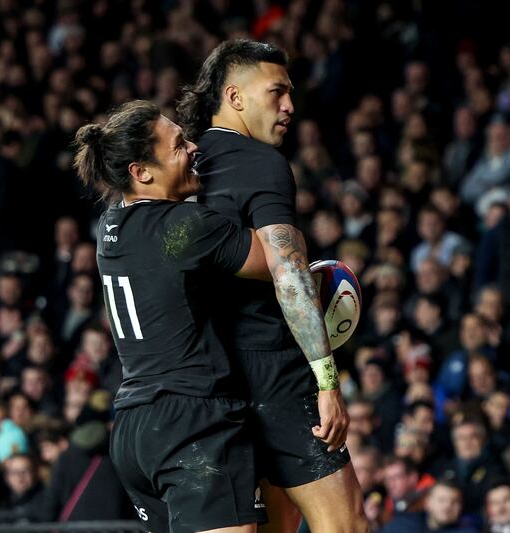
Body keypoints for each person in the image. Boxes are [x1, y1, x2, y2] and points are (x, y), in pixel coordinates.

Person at [177, 39, 365, 532]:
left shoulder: (180, 168)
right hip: (274, 373)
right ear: (235, 97)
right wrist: (327, 382)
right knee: (347, 526)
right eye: (277, 91)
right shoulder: (262, 163)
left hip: (205, 381)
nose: (289, 106)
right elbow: (290, 276)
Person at [73, 100, 272, 533]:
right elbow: (275, 260)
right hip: (193, 421)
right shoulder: (184, 225)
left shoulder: (109, 226)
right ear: (141, 172)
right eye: (179, 144)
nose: (195, 146)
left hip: (133, 429)